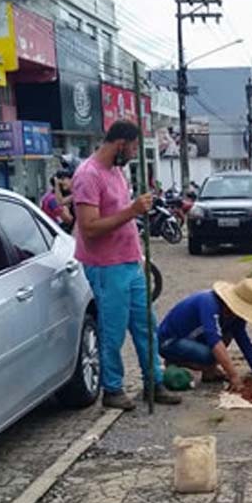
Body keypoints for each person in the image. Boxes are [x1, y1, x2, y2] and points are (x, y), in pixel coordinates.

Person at [73, 120, 181, 410]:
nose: (134, 154)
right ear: (120, 144)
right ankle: (112, 387)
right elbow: (90, 228)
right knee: (113, 330)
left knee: (147, 325)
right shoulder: (88, 175)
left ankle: (153, 381)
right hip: (106, 266)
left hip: (129, 261)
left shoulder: (117, 172)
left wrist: (138, 254)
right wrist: (131, 210)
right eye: (133, 148)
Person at [157, 278, 252, 391]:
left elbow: (244, 342)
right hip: (170, 341)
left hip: (195, 338)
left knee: (227, 335)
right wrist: (233, 376)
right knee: (210, 355)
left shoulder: (236, 317)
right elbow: (214, 341)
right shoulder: (209, 303)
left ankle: (208, 371)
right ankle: (176, 361)